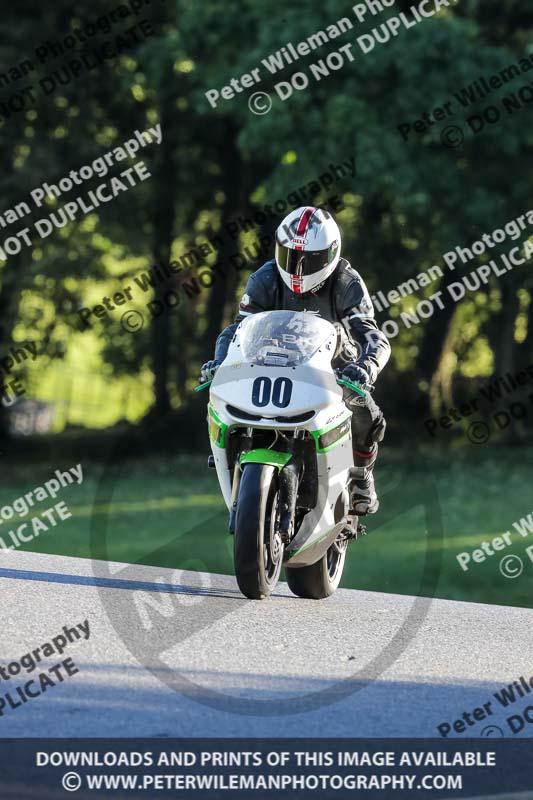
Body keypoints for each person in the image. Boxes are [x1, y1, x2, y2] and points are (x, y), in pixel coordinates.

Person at [200, 206, 391, 514]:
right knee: (217, 396)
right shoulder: (264, 278)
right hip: (268, 365)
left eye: (309, 261)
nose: (298, 270)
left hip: (334, 368)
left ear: (330, 255)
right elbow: (236, 330)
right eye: (290, 257)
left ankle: (361, 477)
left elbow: (374, 337)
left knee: (366, 412)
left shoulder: (346, 282)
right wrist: (221, 363)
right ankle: (232, 454)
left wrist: (366, 367)